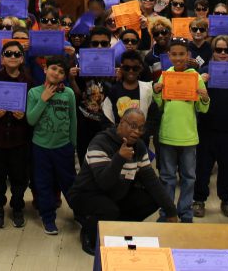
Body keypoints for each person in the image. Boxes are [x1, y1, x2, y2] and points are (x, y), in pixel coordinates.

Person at [70, 109, 179, 255]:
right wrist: (119, 158)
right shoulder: (100, 143)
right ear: (121, 123)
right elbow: (104, 183)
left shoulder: (139, 147)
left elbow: (152, 182)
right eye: (133, 126)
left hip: (115, 193)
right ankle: (88, 232)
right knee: (109, 210)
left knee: (151, 199)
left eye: (141, 128)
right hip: (86, 194)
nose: (137, 132)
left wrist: (171, 211)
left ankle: (117, 228)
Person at [153, 39, 210, 223]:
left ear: (188, 55)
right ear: (168, 55)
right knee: (167, 177)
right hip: (168, 135)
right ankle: (167, 212)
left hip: (188, 137)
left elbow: (203, 109)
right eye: (174, 54)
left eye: (182, 54)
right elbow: (160, 105)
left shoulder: (196, 77)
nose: (178, 58)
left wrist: (205, 98)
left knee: (189, 177)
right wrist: (156, 91)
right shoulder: (165, 75)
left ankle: (185, 212)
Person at [193, 36, 228, 218]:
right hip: (207, 127)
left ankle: (227, 199)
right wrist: (200, 81)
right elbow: (195, 98)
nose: (222, 54)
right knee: (203, 167)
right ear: (213, 52)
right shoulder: (205, 70)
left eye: (227, 50)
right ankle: (199, 199)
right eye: (218, 50)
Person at [26, 55, 78, 235]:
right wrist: (44, 98)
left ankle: (79, 212)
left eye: (61, 71)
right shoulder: (34, 93)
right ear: (45, 69)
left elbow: (73, 120)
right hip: (40, 148)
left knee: (69, 182)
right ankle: (48, 218)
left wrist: (73, 144)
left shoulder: (69, 94)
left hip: (63, 147)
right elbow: (31, 120)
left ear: (64, 76)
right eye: (53, 68)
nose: (56, 73)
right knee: (43, 184)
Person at [0, 41, 33, 229]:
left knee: (19, 177)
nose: (13, 57)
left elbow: (34, 109)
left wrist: (25, 115)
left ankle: (17, 207)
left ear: (22, 58)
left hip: (19, 138)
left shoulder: (28, 81)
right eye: (8, 54)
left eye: (17, 54)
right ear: (2, 58)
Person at [73, 28, 115, 165]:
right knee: (86, 164)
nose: (99, 47)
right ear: (89, 45)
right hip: (85, 123)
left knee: (107, 164)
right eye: (95, 43)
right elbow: (78, 95)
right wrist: (71, 79)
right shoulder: (80, 66)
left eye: (104, 43)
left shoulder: (118, 67)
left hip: (108, 124)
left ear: (109, 45)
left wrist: (119, 78)